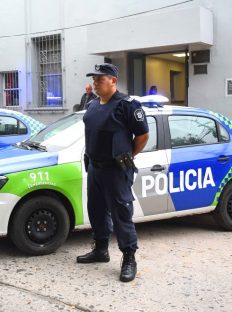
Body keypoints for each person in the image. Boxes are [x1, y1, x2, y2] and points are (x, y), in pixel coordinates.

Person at [78, 63, 149, 283]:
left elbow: (143, 135)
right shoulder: (92, 104)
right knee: (97, 210)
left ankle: (129, 258)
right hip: (95, 167)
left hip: (116, 169)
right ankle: (101, 250)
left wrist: (129, 154)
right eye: (95, 79)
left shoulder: (127, 105)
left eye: (100, 79)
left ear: (113, 81)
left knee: (121, 214)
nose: (96, 82)